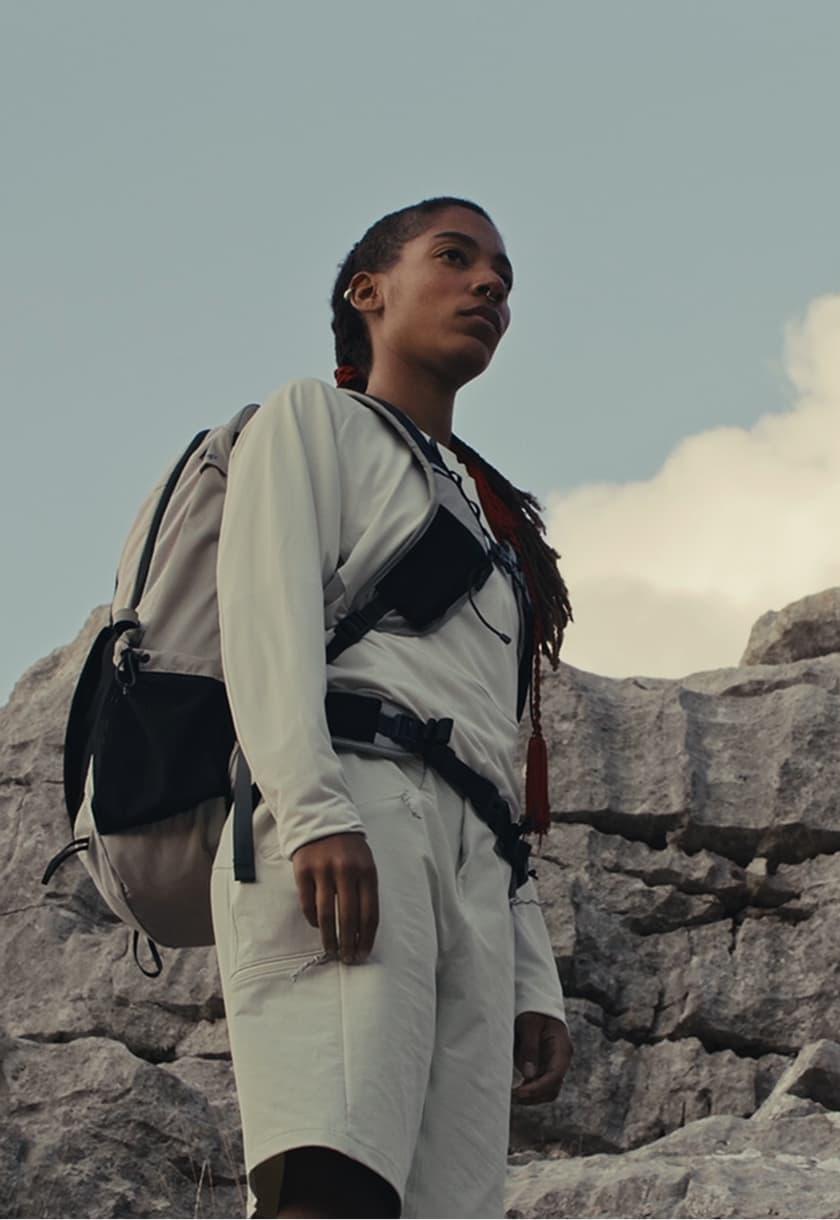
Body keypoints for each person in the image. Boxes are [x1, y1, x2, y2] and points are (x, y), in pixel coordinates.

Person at [210, 196, 573, 1219]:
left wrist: (531, 976)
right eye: (454, 258)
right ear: (367, 293)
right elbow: (266, 618)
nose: (489, 284)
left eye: (501, 273)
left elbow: (490, 757)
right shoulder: (311, 418)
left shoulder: (497, 535)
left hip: (471, 867)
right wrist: (315, 810)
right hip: (352, 806)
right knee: (330, 1176)